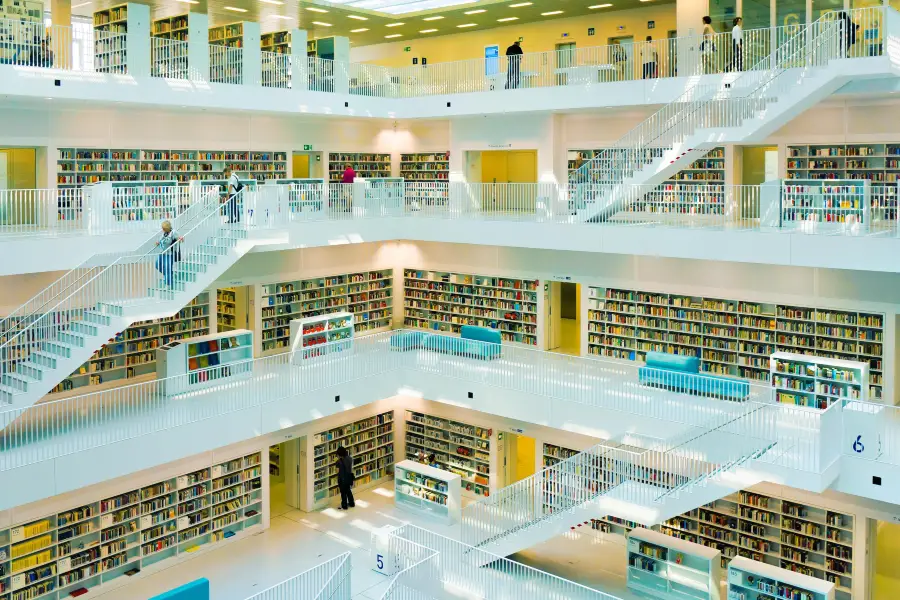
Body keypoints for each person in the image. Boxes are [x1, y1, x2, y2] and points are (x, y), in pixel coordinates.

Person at [155, 220, 182, 289]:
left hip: (170, 253)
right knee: (157, 265)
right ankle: (170, 275)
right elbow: (161, 240)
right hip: (162, 252)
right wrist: (158, 242)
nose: (162, 229)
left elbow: (180, 239)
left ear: (167, 228)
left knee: (167, 268)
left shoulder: (174, 232)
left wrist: (181, 239)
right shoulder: (164, 233)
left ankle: (169, 284)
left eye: (163, 228)